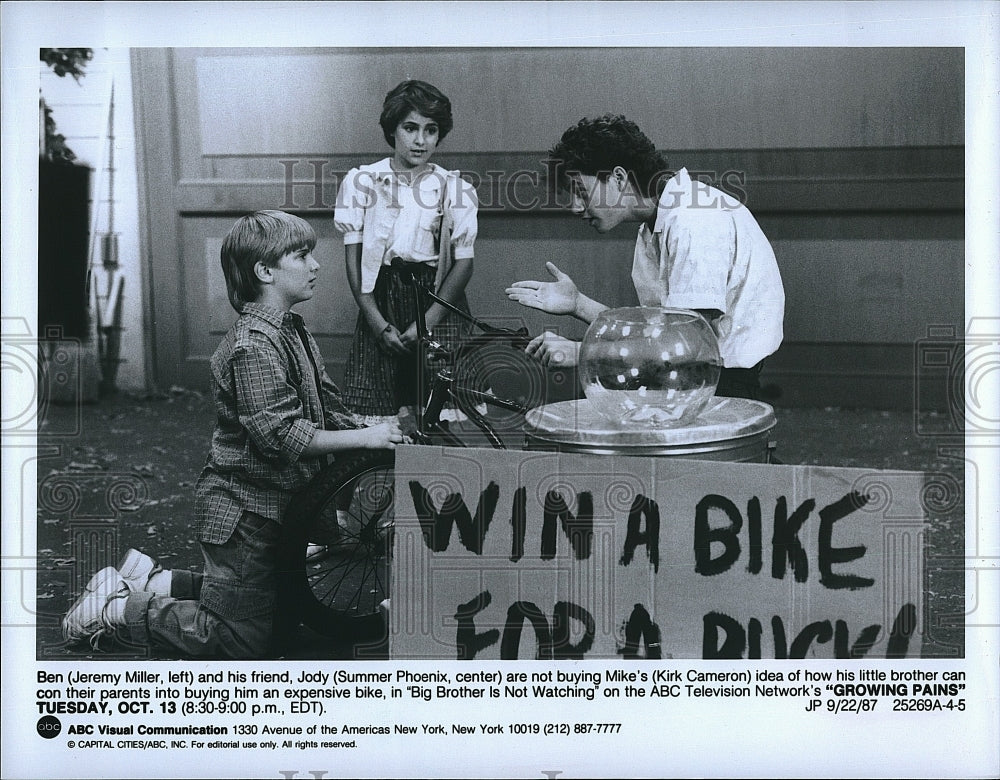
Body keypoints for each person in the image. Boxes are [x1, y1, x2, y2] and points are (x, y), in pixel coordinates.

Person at [61, 210, 405, 658]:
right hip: (245, 514)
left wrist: (379, 428)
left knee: (275, 617)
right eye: (302, 256)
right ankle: (120, 610)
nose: (317, 265)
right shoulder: (253, 347)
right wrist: (364, 440)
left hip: (278, 506)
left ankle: (156, 581)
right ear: (265, 271)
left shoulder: (293, 331)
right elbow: (283, 437)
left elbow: (329, 410)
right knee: (241, 638)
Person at [506, 114, 784, 400]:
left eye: (580, 192)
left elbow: (684, 343)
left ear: (619, 178)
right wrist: (578, 303)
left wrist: (583, 352)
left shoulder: (695, 220)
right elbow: (654, 337)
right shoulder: (655, 224)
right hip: (690, 374)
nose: (575, 207)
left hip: (721, 386)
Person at [335, 80, 479, 424]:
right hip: (381, 298)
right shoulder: (362, 182)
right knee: (381, 411)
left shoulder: (453, 187)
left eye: (431, 130)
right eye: (410, 128)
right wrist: (375, 321)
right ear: (393, 129)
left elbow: (463, 264)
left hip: (435, 302)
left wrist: (427, 321)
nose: (420, 140)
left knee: (440, 410)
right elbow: (354, 258)